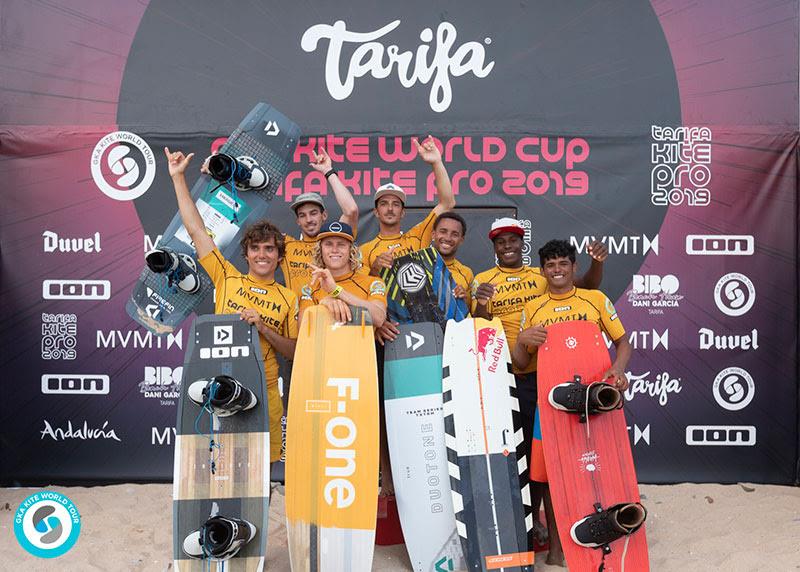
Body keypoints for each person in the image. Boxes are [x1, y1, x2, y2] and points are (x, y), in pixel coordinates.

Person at [471, 218, 608, 558]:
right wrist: (482, 304)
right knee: (522, 459)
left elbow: (586, 287)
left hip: (547, 377)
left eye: (513, 240)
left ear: (523, 244)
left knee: (550, 459)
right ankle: (532, 528)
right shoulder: (482, 280)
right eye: (500, 242)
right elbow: (478, 323)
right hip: (502, 377)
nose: (507, 246)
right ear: (493, 247)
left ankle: (563, 531)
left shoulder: (542, 273)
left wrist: (597, 265)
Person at [160, 147, 298, 468]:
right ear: (246, 255)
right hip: (221, 381)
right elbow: (196, 230)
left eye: (269, 249)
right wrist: (178, 178)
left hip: (265, 389)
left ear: (279, 257)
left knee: (260, 469)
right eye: (255, 249)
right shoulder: (226, 277)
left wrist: (263, 326)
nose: (262, 254)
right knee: (222, 466)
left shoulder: (289, 299)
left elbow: (294, 351)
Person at [511, 239, 630, 565]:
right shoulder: (533, 308)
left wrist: (617, 371)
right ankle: (555, 551)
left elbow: (623, 344)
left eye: (563, 264)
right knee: (546, 473)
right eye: (551, 265)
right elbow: (520, 363)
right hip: (549, 403)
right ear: (543, 270)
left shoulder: (595, 299)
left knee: (594, 468)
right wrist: (522, 340)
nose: (557, 270)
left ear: (573, 267)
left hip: (594, 400)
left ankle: (599, 536)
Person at [359, 135, 456, 277]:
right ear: (376, 212)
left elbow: (448, 203)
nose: (390, 209)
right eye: (384, 204)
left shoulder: (418, 236)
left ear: (403, 212)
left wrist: (436, 163)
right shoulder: (364, 250)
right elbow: (361, 292)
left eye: (396, 204)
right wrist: (375, 270)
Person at [279, 148, 359, 296]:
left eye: (314, 213)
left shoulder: (336, 238)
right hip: (299, 318)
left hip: (331, 314)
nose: (309, 220)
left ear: (324, 215)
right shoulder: (286, 245)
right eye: (303, 215)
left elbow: (351, 210)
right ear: (297, 221)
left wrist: (328, 171)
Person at [298, 221, 386, 328]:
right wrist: (323, 304)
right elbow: (302, 327)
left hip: (360, 345)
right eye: (328, 244)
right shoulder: (310, 288)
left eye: (341, 244)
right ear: (320, 249)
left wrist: (336, 291)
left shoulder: (372, 282)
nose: (334, 250)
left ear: (351, 250)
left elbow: (379, 318)